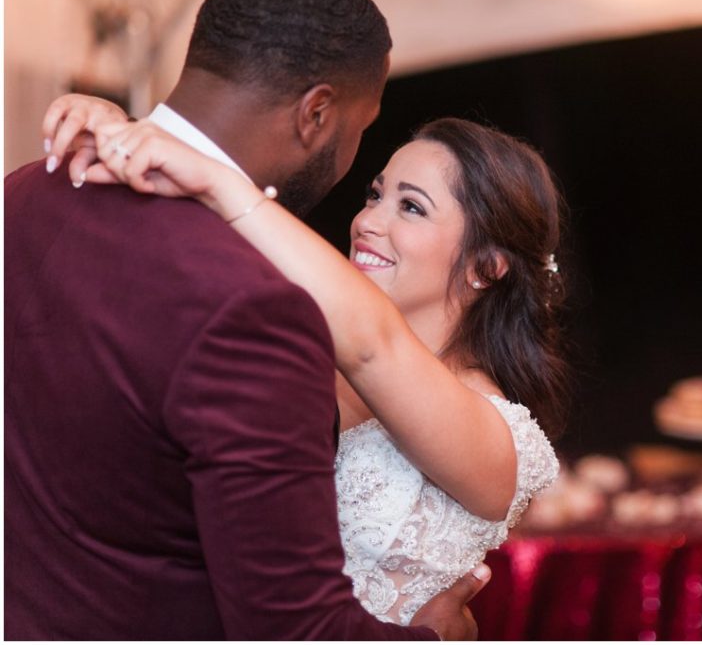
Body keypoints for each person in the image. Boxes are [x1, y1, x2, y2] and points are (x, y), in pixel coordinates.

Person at [5, 0, 484, 640]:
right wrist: (438, 635)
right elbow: (295, 632)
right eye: (360, 128)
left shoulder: (23, 194)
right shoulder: (253, 310)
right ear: (317, 114)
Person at [42, 93, 568, 625]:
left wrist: (218, 181)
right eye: (375, 195)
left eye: (410, 207)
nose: (367, 221)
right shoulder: (298, 351)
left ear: (487, 267)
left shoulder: (500, 441)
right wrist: (127, 140)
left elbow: (375, 343)